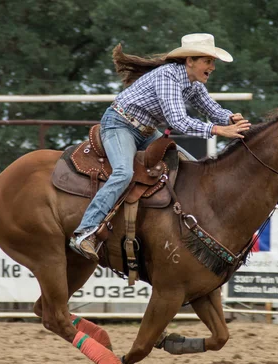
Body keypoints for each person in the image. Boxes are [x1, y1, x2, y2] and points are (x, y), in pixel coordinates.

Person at [70, 33, 251, 261]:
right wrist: (217, 130)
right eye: (208, 61)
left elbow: (212, 109)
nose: (212, 67)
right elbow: (178, 121)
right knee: (124, 173)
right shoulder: (168, 76)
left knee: (190, 167)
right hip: (119, 125)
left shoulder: (193, 84)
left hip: (145, 131)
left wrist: (231, 119)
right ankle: (85, 232)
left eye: (212, 62)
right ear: (190, 61)